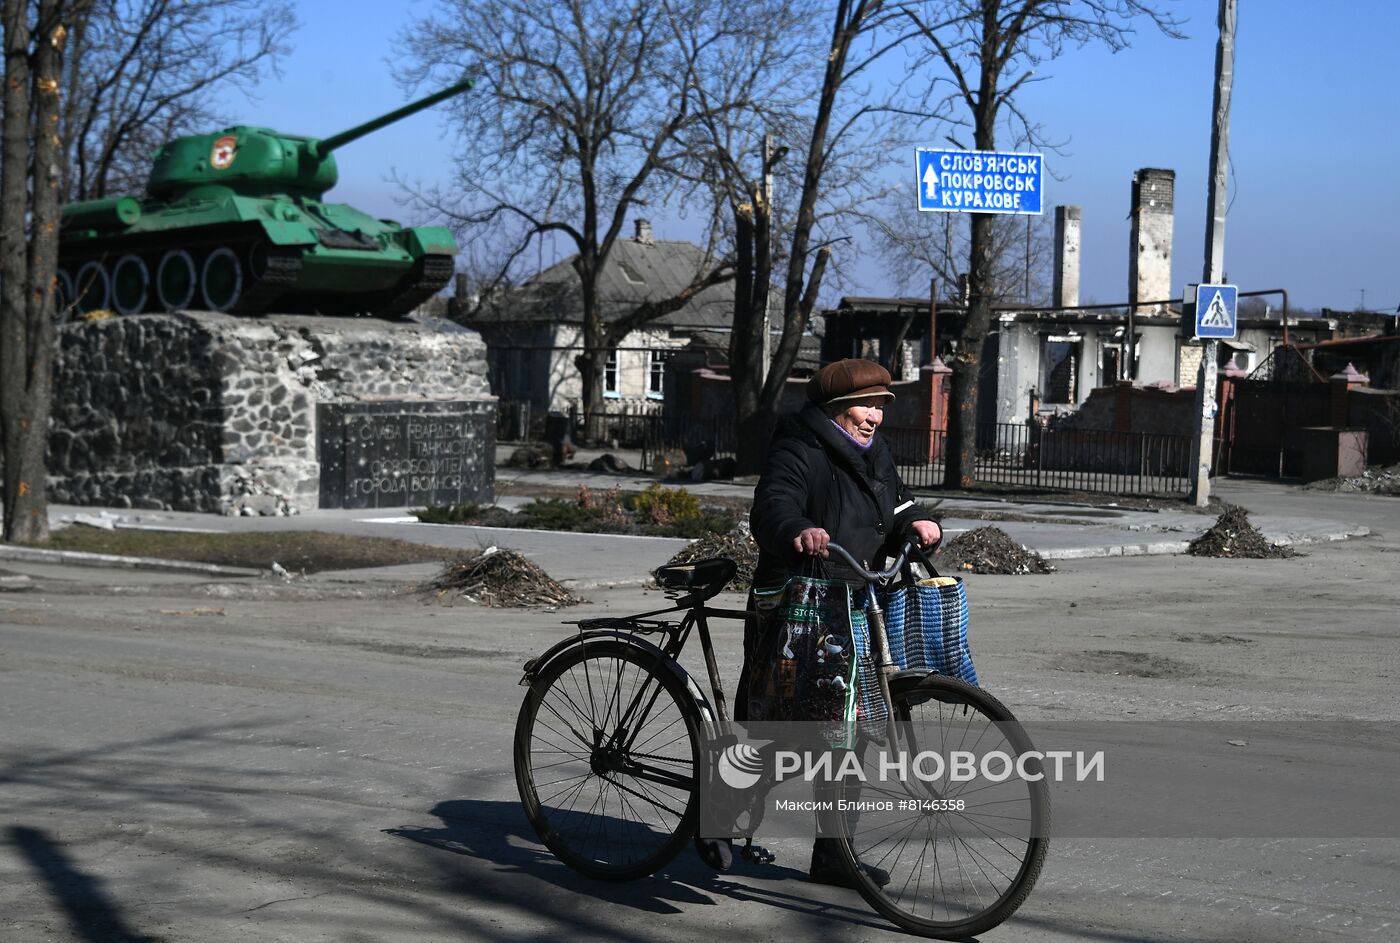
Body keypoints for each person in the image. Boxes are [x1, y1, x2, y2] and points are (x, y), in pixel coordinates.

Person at [739, 358, 941, 886]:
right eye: (865, 405)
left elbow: (895, 504)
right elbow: (773, 505)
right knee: (786, 730)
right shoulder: (799, 445)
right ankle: (724, 808)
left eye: (880, 406)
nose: (875, 416)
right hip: (801, 604)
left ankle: (834, 856)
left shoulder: (875, 452)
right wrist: (799, 528)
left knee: (850, 734)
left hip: (857, 602)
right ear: (832, 409)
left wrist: (918, 521)